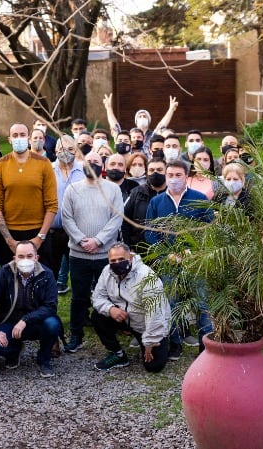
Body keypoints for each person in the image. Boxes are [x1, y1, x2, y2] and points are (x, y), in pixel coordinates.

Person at [146, 160, 213, 358]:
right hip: (169, 263)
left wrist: (195, 251)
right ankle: (175, 344)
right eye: (170, 175)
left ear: (186, 177)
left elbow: (210, 230)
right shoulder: (156, 202)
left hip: (196, 262)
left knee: (202, 304)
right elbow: (150, 234)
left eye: (178, 175)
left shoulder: (199, 199)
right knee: (172, 304)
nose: (174, 179)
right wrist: (167, 254)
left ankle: (205, 346)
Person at [59, 158, 124, 353]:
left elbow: (117, 217)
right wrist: (81, 240)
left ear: (102, 166)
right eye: (89, 161)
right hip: (78, 255)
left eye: (96, 161)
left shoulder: (113, 189)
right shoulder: (73, 189)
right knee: (78, 297)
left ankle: (112, 332)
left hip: (106, 254)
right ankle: (76, 335)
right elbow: (66, 217)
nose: (92, 164)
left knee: (111, 294)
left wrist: (98, 241)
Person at [0, 241, 61, 378]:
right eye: (21, 256)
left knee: (52, 324)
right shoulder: (5, 272)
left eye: (29, 256)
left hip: (36, 323)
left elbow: (50, 306)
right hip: (10, 323)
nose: (25, 260)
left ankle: (44, 360)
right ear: (14, 259)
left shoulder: (47, 274)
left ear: (37, 258)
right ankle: (14, 351)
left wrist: (25, 320)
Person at [90, 243, 170, 372]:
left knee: (154, 366)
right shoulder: (107, 272)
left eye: (121, 259)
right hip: (124, 318)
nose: (117, 263)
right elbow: (97, 297)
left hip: (145, 324)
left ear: (131, 258)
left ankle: (161, 337)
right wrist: (110, 309)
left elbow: (155, 313)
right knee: (97, 316)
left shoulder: (146, 277)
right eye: (113, 260)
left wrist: (150, 341)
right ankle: (118, 354)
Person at [0, 123, 59, 268]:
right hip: (10, 232)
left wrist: (40, 238)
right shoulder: (0, 165)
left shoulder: (44, 163)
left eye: (22, 135)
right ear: (9, 139)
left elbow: (52, 205)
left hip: (39, 231)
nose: (18, 138)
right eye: (15, 136)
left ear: (28, 138)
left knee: (41, 279)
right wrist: (9, 240)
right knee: (10, 281)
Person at [49, 135, 84, 293]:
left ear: (76, 150)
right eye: (62, 149)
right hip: (52, 232)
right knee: (50, 274)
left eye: (70, 149)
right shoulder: (47, 170)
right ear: (56, 150)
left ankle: (80, 315)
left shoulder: (85, 170)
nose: (66, 152)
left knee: (80, 276)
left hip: (77, 233)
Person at [122, 158, 168, 253]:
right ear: (147, 173)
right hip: (140, 250)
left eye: (159, 170)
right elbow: (124, 220)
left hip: (167, 251)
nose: (155, 173)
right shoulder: (136, 192)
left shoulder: (173, 194)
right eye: (151, 170)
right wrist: (128, 247)